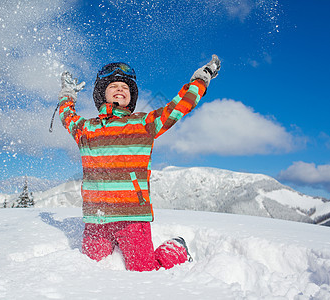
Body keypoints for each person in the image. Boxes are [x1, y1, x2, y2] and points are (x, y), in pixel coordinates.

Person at [58, 55, 221, 271]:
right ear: (101, 93)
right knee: (91, 268)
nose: (120, 89)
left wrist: (201, 80)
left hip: (133, 217)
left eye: (125, 87)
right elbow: (67, 115)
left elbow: (178, 107)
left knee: (144, 270)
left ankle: (177, 248)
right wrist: (68, 95)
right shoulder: (87, 130)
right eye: (113, 85)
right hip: (96, 219)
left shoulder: (144, 124)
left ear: (131, 95)